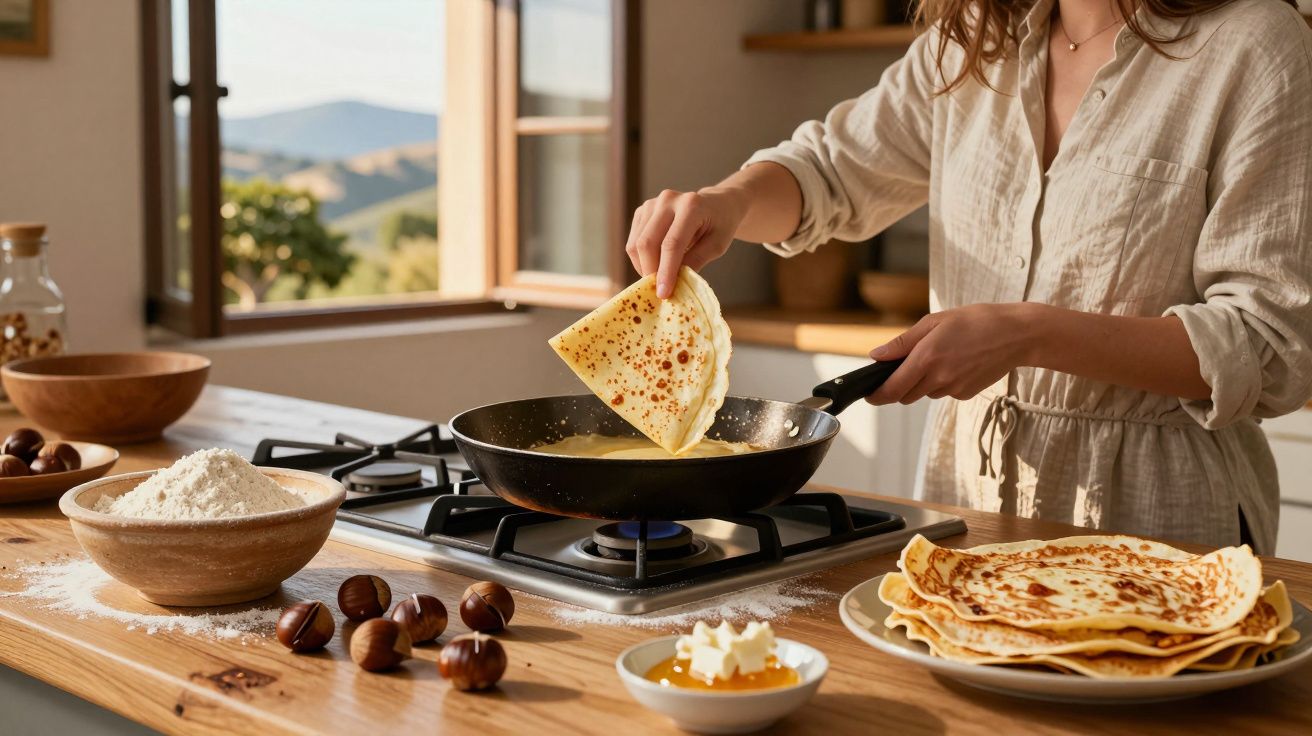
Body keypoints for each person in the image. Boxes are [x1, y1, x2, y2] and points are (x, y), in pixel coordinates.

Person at [624, 0, 1312, 553]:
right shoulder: (971, 45)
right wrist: (732, 200)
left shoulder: (1257, 45)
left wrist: (1027, 334)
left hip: (1163, 521)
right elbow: (829, 170)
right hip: (970, 508)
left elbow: (1269, 346)